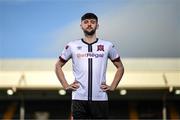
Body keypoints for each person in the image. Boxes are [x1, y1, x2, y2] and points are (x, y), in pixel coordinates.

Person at [55, 12, 124, 119]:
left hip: (100, 98)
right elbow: (58, 65)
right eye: (86, 22)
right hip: (78, 98)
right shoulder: (72, 45)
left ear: (97, 25)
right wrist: (65, 85)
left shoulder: (107, 45)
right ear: (81, 25)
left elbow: (120, 67)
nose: (89, 24)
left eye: (93, 22)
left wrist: (113, 86)